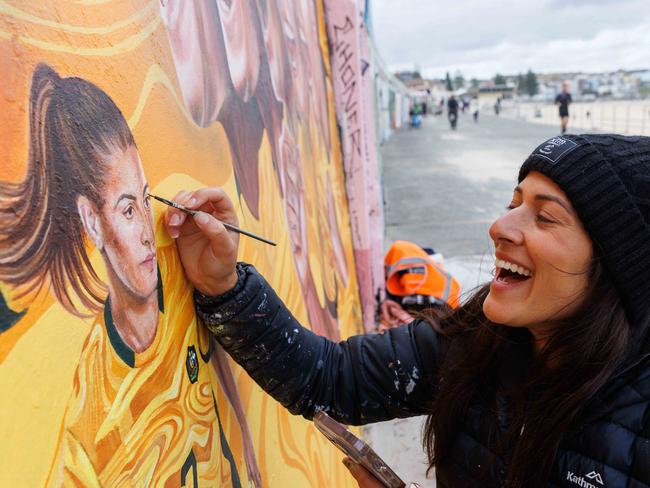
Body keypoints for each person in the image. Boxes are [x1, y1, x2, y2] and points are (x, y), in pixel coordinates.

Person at [166, 134, 650, 487]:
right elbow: (329, 379)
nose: (500, 226)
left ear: (614, 267)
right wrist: (222, 282)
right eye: (513, 202)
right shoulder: (479, 342)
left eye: (544, 217)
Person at [0, 64, 258, 486]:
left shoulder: (175, 275)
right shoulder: (93, 397)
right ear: (92, 222)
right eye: (126, 209)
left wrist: (246, 441)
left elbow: (213, 357)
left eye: (144, 198)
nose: (145, 231)